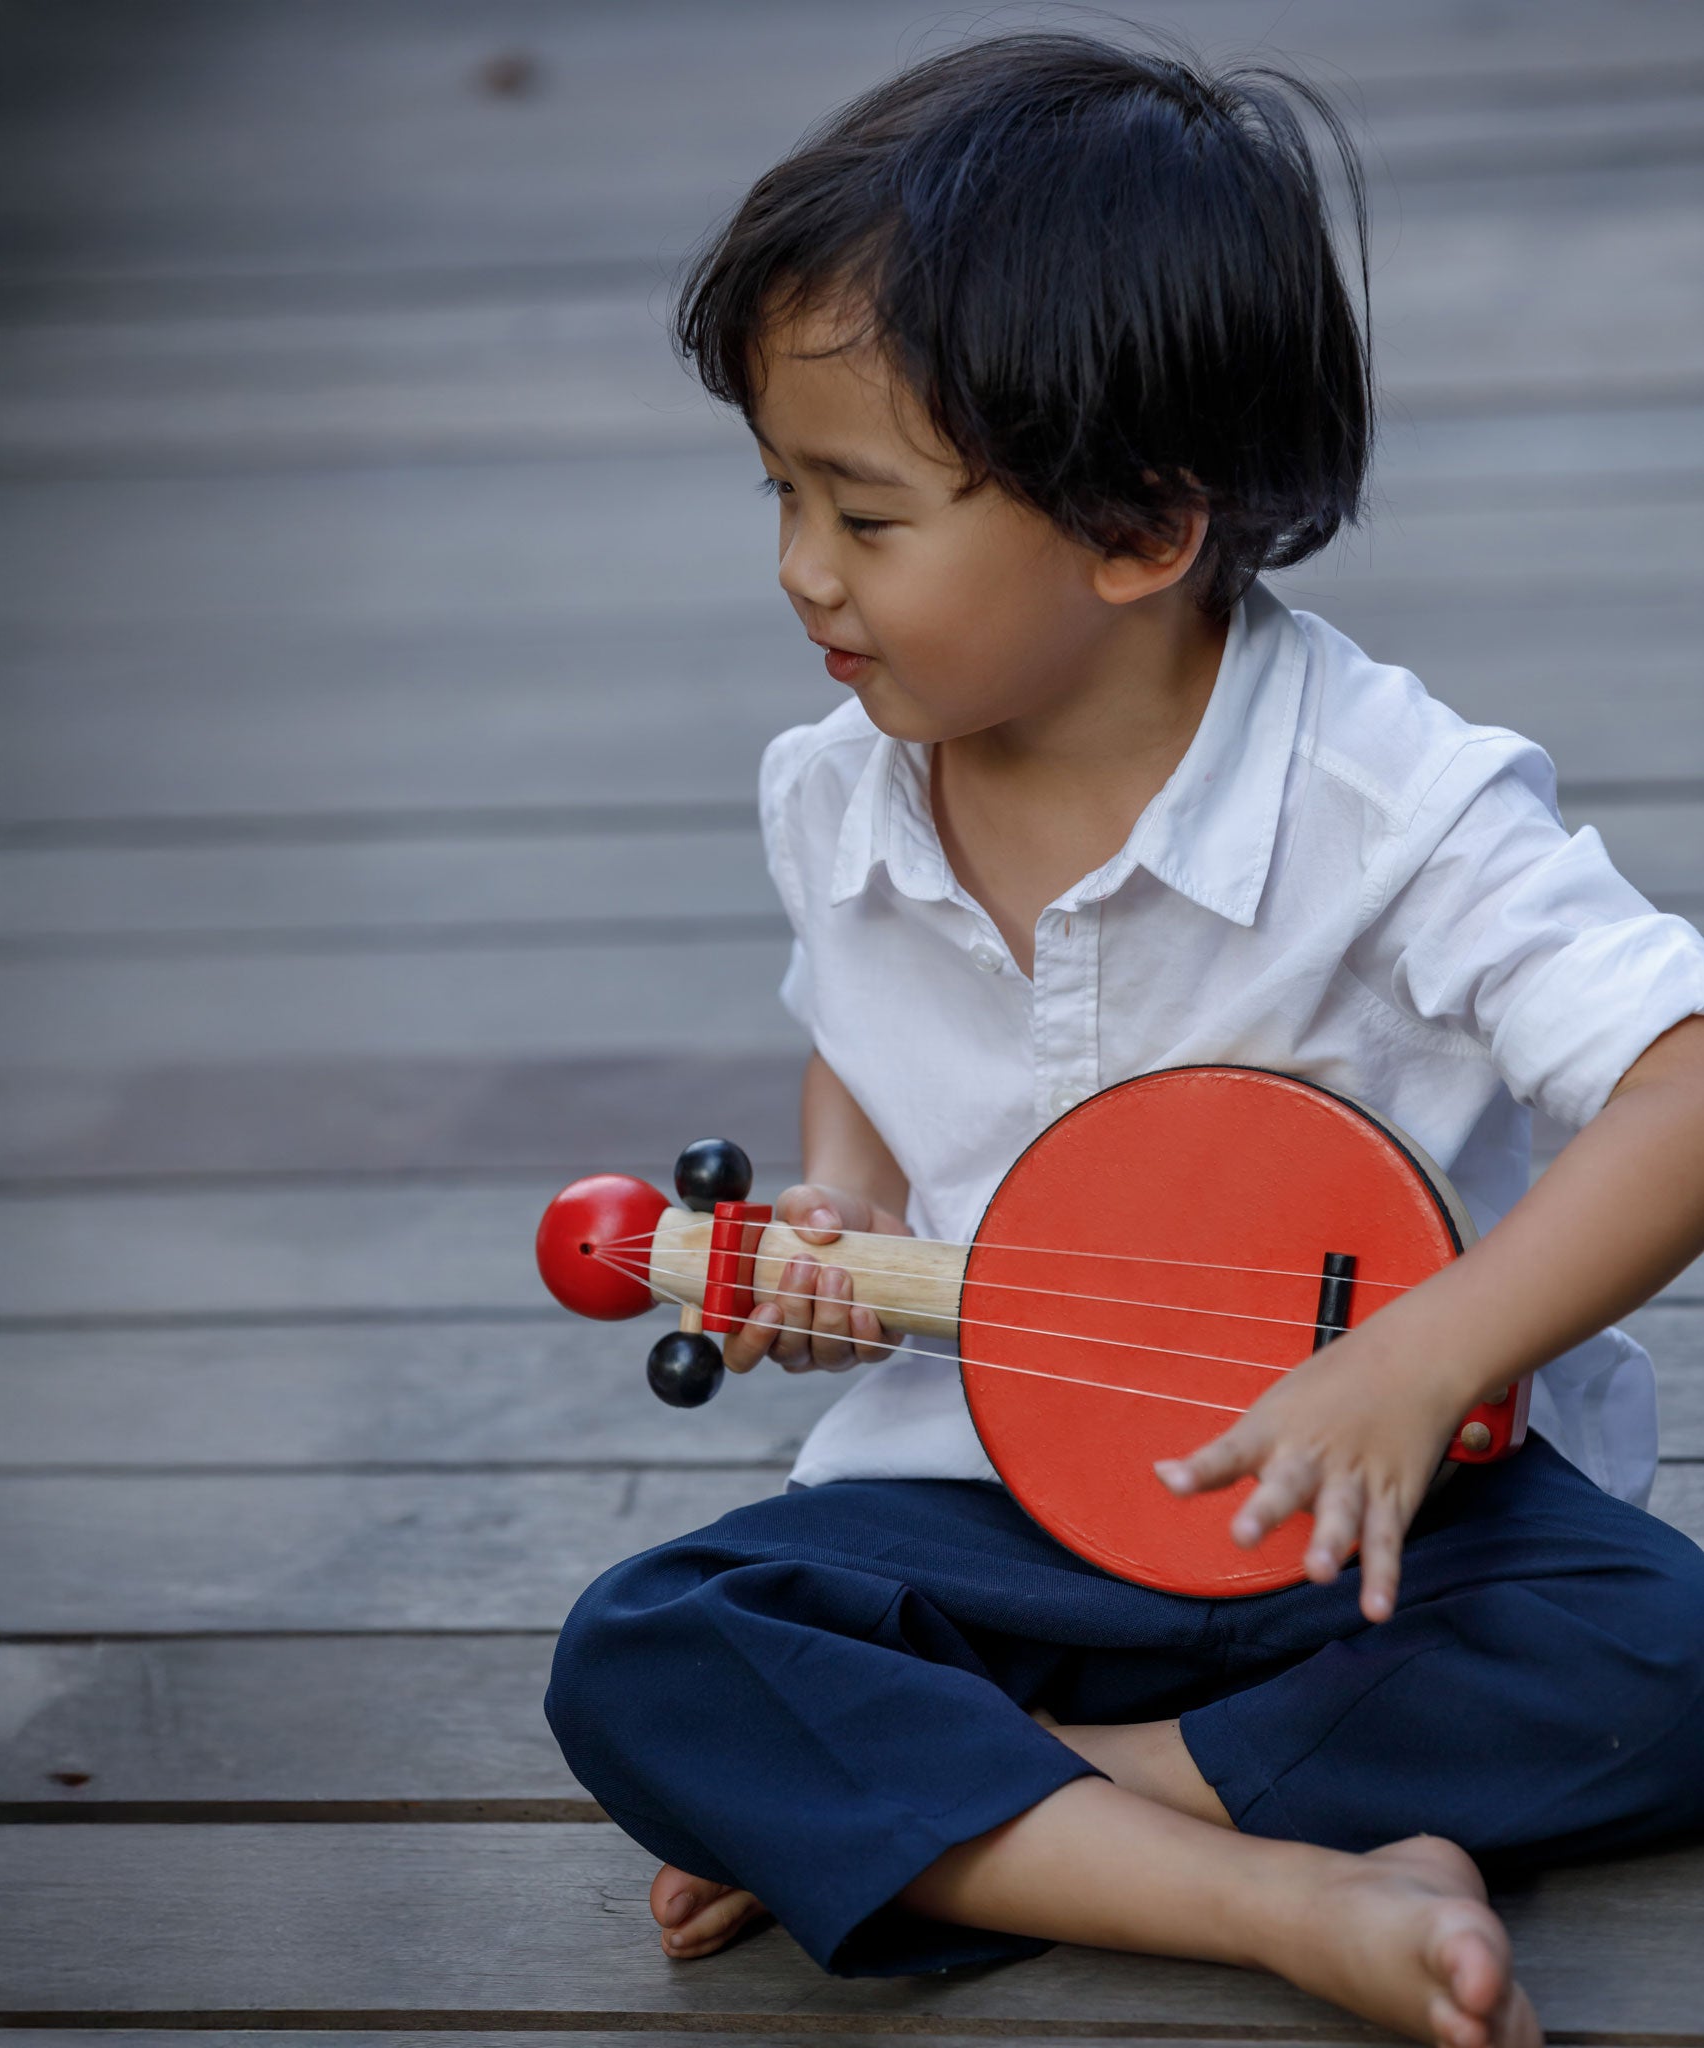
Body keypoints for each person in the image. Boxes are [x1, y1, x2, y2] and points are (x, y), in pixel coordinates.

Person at [544, 34, 1704, 2046]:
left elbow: (1683, 1080)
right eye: (781, 492)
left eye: (870, 513)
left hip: (1370, 1520)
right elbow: (868, 1041)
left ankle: (984, 1803)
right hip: (997, 1496)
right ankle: (1291, 1891)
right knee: (645, 1647)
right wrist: (841, 1203)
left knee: (1666, 1654)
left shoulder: (1387, 799)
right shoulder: (840, 791)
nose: (802, 568)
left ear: (1139, 528)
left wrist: (1418, 1359)